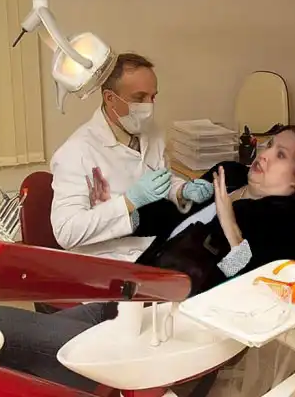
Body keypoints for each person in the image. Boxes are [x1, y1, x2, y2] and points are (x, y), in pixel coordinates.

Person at [0, 125, 295, 393]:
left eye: (281, 155)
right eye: (269, 144)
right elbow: (170, 216)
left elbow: (244, 288)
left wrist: (231, 227)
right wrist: (130, 208)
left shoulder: (281, 227)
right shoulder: (231, 174)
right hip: (131, 294)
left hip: (164, 331)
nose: (264, 154)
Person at [50, 52, 213, 259]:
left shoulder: (152, 132)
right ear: (110, 98)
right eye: (139, 98)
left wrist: (181, 190)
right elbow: (66, 232)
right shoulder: (75, 153)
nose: (149, 106)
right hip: (110, 259)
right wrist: (128, 202)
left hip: (156, 244)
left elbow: (160, 177)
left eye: (152, 97)